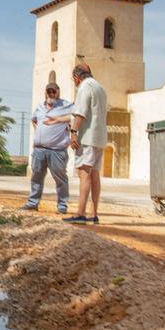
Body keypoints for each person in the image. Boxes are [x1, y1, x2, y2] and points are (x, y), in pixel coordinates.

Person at [64, 63, 107, 224]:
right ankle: (93, 213)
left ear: (77, 77)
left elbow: (80, 113)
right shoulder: (100, 88)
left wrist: (73, 132)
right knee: (95, 175)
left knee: (84, 174)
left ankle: (80, 213)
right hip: (100, 137)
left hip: (87, 138)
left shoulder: (84, 87)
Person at [22, 82, 73, 212]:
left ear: (58, 92)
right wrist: (40, 132)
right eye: (49, 91)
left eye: (53, 91)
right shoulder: (39, 107)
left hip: (57, 150)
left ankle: (62, 206)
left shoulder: (66, 106)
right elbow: (34, 119)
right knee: (36, 177)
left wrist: (71, 133)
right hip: (39, 149)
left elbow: (77, 116)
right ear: (45, 92)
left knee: (60, 179)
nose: (51, 94)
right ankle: (33, 203)